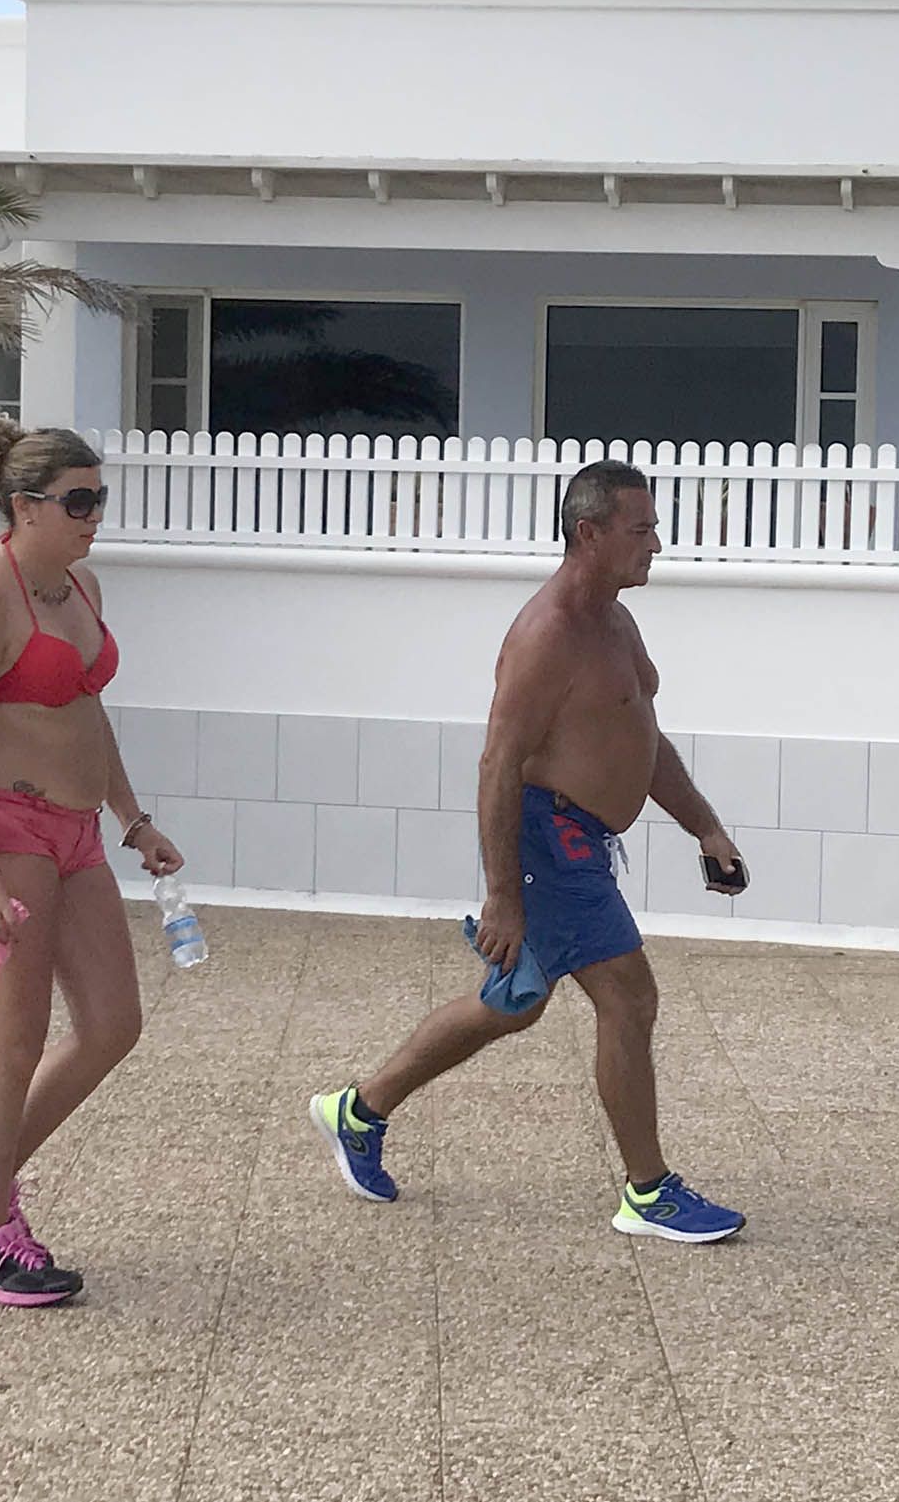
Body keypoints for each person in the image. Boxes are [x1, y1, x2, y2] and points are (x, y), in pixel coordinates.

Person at [309, 459, 748, 1242]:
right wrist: (503, 893)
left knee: (510, 1003)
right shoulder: (547, 634)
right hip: (551, 839)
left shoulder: (615, 619)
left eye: (653, 526)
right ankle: (648, 1191)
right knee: (629, 996)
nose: (656, 542)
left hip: (577, 841)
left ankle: (359, 1110)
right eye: (640, 528)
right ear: (590, 533)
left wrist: (704, 826)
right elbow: (497, 764)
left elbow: (640, 736)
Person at [0, 415, 183, 1304]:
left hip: (74, 830)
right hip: (2, 829)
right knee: (16, 1039)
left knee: (114, 1023)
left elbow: (85, 713)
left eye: (99, 497)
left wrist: (134, 817)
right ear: (25, 505)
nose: (94, 514)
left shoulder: (81, 585)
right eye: (78, 500)